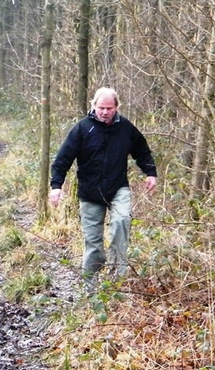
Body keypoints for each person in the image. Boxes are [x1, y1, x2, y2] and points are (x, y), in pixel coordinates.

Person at [49, 87, 157, 293]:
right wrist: (56, 186)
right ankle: (90, 290)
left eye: (109, 108)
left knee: (121, 222)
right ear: (94, 107)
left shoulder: (126, 128)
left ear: (116, 107)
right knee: (93, 244)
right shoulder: (82, 128)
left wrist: (150, 173)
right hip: (90, 194)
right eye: (101, 108)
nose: (105, 112)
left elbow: (142, 150)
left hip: (118, 188)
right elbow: (62, 159)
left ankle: (117, 283)